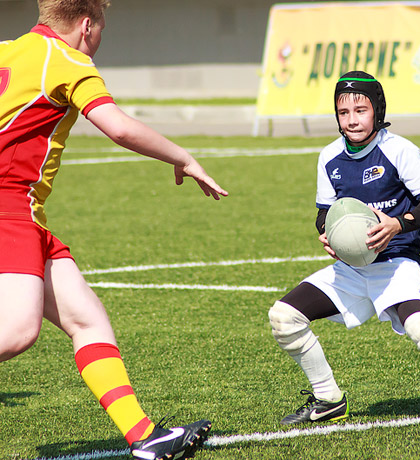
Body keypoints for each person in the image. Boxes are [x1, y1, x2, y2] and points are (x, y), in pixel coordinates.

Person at [0, 1, 228, 459]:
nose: (101, 37)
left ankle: (144, 436)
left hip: (25, 214)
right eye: (102, 27)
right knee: (18, 330)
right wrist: (183, 157)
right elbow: (119, 128)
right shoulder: (68, 60)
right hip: (9, 207)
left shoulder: (7, 49)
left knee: (87, 319)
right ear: (86, 25)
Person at [268, 70, 420, 425]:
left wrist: (397, 224)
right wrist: (327, 233)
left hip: (396, 264)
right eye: (344, 112)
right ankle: (329, 400)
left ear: (377, 111)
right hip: (351, 270)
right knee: (284, 317)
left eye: (361, 110)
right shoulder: (329, 156)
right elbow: (324, 213)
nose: (352, 120)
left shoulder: (399, 150)